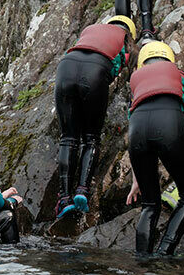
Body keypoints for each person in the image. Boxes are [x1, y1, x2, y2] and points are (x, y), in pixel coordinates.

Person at [126, 41, 184, 255]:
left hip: (137, 133)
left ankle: (142, 261)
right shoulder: (180, 75)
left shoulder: (137, 82)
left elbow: (134, 123)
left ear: (143, 62)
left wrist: (137, 179)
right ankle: (165, 253)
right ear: (169, 60)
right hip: (169, 126)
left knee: (149, 204)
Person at [54, 15, 137, 218]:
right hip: (96, 70)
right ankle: (82, 189)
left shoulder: (90, 30)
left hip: (66, 66)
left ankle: (64, 199)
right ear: (130, 32)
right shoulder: (124, 40)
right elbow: (133, 71)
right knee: (90, 138)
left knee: (68, 138)